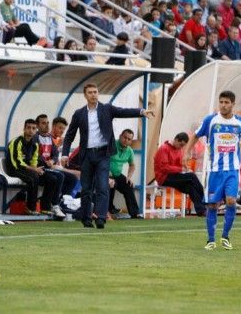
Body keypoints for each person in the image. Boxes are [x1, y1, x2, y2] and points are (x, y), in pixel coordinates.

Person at [60, 83, 154, 229]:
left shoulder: (107, 109)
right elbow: (69, 135)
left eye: (95, 92)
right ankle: (86, 218)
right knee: (86, 189)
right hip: (87, 155)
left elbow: (123, 112)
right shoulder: (79, 114)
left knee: (103, 186)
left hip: (103, 154)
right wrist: (65, 154)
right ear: (85, 95)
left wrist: (141, 111)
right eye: (90, 92)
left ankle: (101, 217)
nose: (93, 94)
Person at [183, 91, 241, 250]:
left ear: (233, 104)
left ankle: (226, 236)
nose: (223, 105)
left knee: (231, 201)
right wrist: (187, 152)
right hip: (214, 171)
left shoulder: (240, 122)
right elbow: (195, 135)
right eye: (221, 102)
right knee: (212, 206)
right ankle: (211, 240)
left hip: (232, 171)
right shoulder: (210, 120)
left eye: (227, 102)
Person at [6, 119, 62, 216]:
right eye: (28, 128)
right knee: (33, 178)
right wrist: (34, 170)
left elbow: (34, 161)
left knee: (51, 179)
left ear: (36, 130)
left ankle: (45, 207)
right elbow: (18, 163)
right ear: (24, 129)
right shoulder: (16, 142)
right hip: (15, 169)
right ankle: (30, 208)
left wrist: (37, 169)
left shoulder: (35, 144)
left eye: (33, 128)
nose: (31, 130)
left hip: (29, 170)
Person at [154, 132, 206, 216]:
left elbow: (180, 165)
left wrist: (185, 167)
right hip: (164, 177)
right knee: (192, 176)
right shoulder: (164, 148)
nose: (181, 147)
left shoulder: (178, 149)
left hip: (173, 176)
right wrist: (181, 169)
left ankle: (201, 211)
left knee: (190, 187)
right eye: (181, 145)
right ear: (176, 140)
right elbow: (164, 167)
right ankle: (205, 200)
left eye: (183, 146)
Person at [34, 114, 77, 217]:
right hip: (41, 167)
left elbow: (55, 154)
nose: (62, 131)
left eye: (47, 123)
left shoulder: (49, 137)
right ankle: (55, 204)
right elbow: (35, 154)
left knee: (73, 178)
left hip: (52, 166)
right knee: (61, 176)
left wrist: (53, 160)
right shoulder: (36, 137)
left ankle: (61, 202)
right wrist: (47, 162)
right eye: (43, 123)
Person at [108, 129, 143, 219]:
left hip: (117, 174)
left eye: (129, 139)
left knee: (128, 185)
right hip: (105, 173)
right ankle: (109, 208)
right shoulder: (111, 145)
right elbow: (102, 159)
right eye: (125, 137)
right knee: (111, 183)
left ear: (131, 141)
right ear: (120, 136)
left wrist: (129, 176)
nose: (126, 140)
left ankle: (135, 213)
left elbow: (132, 165)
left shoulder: (129, 151)